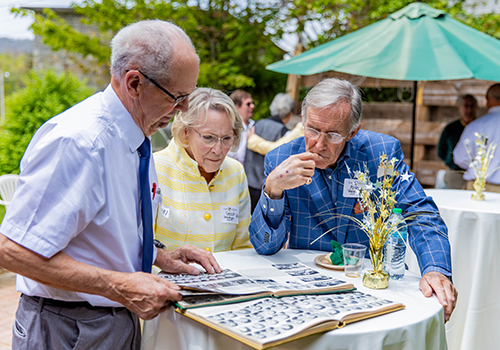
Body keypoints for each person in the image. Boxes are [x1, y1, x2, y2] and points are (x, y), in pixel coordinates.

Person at [0, 20, 222, 350]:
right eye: (177, 97)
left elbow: (102, 229)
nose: (184, 111)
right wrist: (120, 285)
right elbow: (12, 250)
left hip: (109, 319)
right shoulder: (80, 142)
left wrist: (160, 256)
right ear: (134, 83)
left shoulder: (135, 137)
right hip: (69, 327)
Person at [249, 78, 457, 322]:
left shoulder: (381, 152)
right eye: (312, 129)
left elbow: (420, 212)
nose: (319, 144)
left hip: (371, 285)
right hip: (306, 289)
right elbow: (265, 246)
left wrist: (435, 269)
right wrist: (272, 189)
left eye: (333, 134)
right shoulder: (281, 159)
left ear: (352, 132)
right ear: (302, 122)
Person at [154, 88, 252, 252]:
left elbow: (242, 246)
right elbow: (139, 248)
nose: (218, 149)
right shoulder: (156, 168)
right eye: (208, 137)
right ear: (185, 133)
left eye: (226, 138)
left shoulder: (235, 172)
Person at [245, 93, 294, 213]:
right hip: (266, 188)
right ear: (290, 114)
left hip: (247, 182)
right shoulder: (285, 133)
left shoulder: (255, 124)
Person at [454, 84, 500, 192]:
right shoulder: (476, 125)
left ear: (487, 100)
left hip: (478, 187)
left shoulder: (477, 126)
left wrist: (478, 166)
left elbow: (460, 158)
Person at [437, 94, 478, 170]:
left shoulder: (481, 127)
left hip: (477, 172)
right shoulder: (450, 128)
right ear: (459, 107)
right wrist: (451, 161)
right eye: (466, 106)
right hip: (455, 171)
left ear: (476, 108)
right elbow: (441, 151)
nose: (469, 110)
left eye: (472, 106)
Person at [227, 90, 255, 164]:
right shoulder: (229, 127)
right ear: (237, 107)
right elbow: (233, 155)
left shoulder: (254, 124)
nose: (252, 106)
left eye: (252, 103)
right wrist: (249, 140)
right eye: (248, 104)